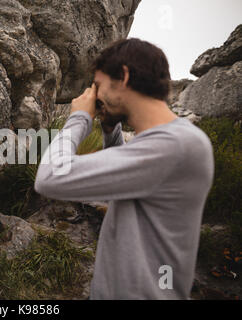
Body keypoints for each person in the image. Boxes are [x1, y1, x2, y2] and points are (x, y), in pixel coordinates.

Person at [34, 38, 214, 299]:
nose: (95, 96)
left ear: (123, 77)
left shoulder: (177, 145)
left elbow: (50, 177)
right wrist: (110, 128)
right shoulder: (165, 142)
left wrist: (78, 118)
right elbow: (120, 184)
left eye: (98, 85)